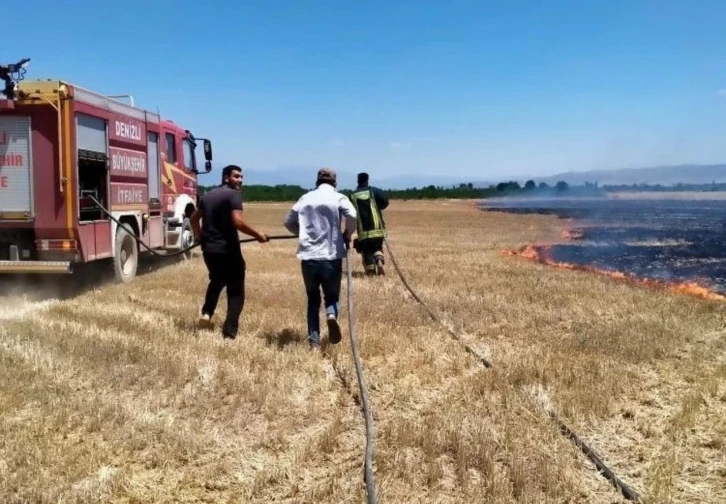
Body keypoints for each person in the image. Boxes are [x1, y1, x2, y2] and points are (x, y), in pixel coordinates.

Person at [190, 164, 269, 339]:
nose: (240, 180)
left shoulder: (208, 194)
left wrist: (198, 236)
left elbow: (194, 218)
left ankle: (207, 313)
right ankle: (229, 332)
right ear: (226, 178)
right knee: (236, 290)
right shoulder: (234, 195)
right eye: (236, 176)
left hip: (209, 249)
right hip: (227, 249)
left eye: (241, 177)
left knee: (216, 280)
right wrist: (258, 235)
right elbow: (238, 222)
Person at [283, 167, 357, 350]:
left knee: (313, 300)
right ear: (335, 182)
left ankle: (314, 342)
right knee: (331, 296)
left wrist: (302, 233)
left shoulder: (305, 198)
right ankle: (331, 315)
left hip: (309, 257)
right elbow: (352, 215)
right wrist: (347, 234)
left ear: (317, 181)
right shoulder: (339, 197)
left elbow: (288, 221)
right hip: (331, 257)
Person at [349, 172, 389, 275]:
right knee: (377, 247)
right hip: (377, 229)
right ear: (367, 180)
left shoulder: (353, 195)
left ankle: (370, 271)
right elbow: (385, 201)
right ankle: (379, 260)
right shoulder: (374, 191)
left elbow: (349, 212)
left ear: (357, 181)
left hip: (363, 232)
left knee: (367, 251)